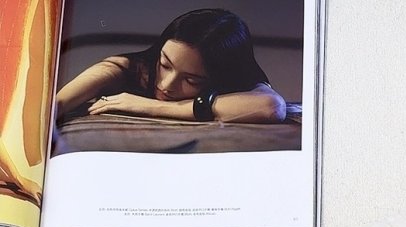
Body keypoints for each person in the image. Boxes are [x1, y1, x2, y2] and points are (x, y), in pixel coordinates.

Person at [54, 8, 287, 125]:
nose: (166, 85)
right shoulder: (131, 68)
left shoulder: (238, 77)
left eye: (191, 80)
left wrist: (149, 107)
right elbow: (56, 105)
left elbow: (271, 107)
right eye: (165, 64)